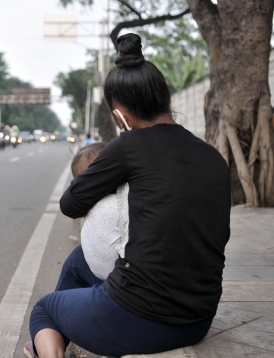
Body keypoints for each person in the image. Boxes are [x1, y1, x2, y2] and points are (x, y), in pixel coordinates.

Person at [24, 33, 231, 358]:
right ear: (164, 98)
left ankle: (52, 339)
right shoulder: (212, 156)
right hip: (198, 318)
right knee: (78, 260)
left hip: (138, 318)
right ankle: (67, 332)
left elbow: (70, 204)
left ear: (119, 113)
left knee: (44, 309)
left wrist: (112, 176)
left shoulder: (130, 146)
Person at [71, 143, 129, 281]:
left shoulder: (107, 203)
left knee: (47, 303)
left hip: (121, 285)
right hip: (119, 279)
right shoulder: (126, 196)